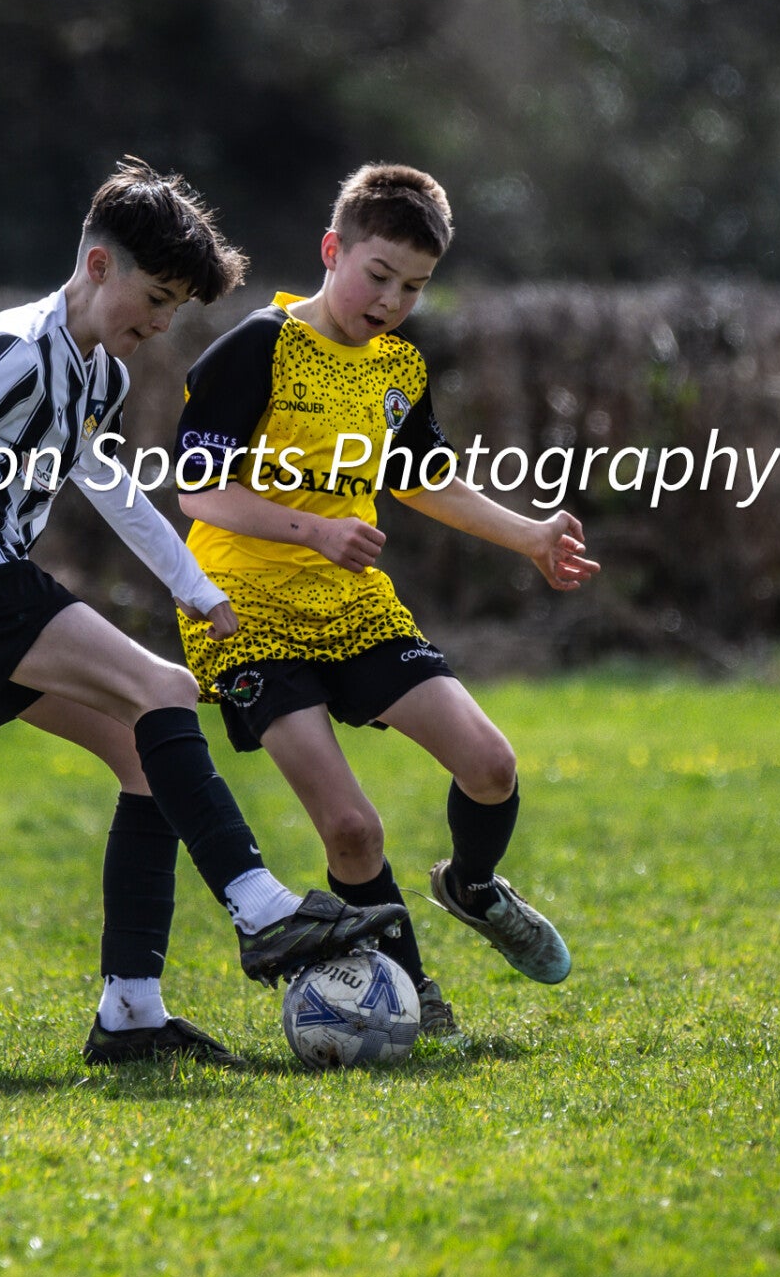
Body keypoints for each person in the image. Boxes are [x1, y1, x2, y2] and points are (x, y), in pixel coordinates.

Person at [0, 160, 406, 1065]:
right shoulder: (11, 351)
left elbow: (113, 489)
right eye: (157, 296)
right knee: (164, 690)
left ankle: (130, 1016)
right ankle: (261, 912)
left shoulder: (97, 375)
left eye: (177, 309)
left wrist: (196, 588)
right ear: (98, 266)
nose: (163, 323)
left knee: (143, 756)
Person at [167, 163, 600, 1036]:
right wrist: (312, 529)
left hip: (352, 607)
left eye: (414, 286)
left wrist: (528, 537)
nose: (392, 300)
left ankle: (471, 889)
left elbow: (423, 480)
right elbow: (194, 489)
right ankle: (409, 998)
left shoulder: (397, 366)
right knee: (353, 830)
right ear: (333, 250)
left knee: (489, 766)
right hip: (240, 614)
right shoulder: (258, 347)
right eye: (378, 275)